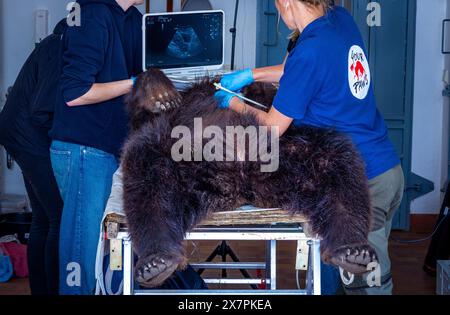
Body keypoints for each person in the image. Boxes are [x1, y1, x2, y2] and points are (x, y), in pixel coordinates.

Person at [215, 0, 404, 295]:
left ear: (286, 1)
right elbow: (296, 71)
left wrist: (234, 102)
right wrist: (250, 75)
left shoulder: (311, 49)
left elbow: (272, 128)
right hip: (386, 170)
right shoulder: (339, 19)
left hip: (358, 187)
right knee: (341, 273)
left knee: (366, 285)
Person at [48, 0, 144, 295]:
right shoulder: (90, 12)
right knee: (83, 253)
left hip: (109, 149)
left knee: (109, 252)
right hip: (84, 151)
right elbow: (75, 93)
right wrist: (136, 83)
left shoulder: (133, 18)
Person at [0, 19, 68, 295]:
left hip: (18, 133)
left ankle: (41, 290)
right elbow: (43, 108)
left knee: (42, 217)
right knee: (58, 215)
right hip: (29, 137)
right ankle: (52, 289)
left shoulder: (54, 43)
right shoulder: (61, 48)